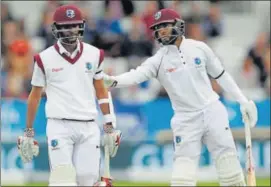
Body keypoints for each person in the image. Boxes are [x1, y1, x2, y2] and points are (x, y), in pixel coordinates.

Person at [103, 8, 258, 186]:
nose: (161, 30)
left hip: (212, 111)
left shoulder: (199, 48)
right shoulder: (159, 59)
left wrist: (242, 100)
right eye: (158, 27)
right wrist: (113, 81)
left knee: (229, 167)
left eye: (165, 26)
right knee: (182, 179)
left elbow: (221, 75)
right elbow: (137, 74)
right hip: (185, 120)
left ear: (177, 25)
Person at [17, 4, 122, 186]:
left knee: (87, 180)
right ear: (56, 28)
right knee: (62, 181)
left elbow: (101, 90)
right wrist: (28, 132)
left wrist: (109, 124)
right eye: (65, 26)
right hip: (59, 125)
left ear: (81, 26)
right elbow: (35, 96)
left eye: (73, 25)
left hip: (88, 125)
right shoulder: (44, 58)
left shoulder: (94, 54)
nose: (70, 30)